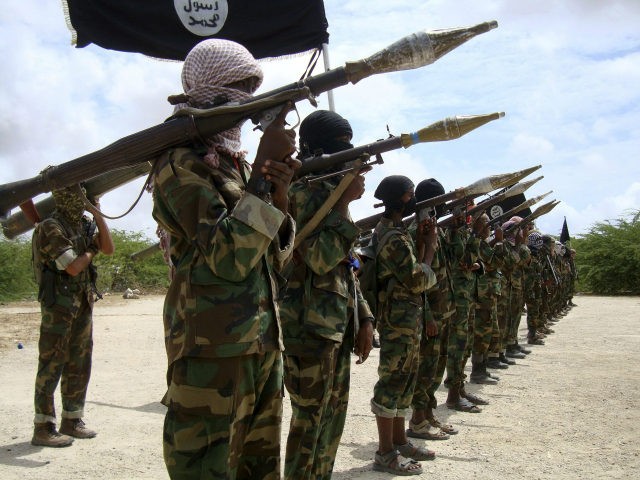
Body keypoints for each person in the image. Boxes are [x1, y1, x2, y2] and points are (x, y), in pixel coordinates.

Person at [151, 39, 298, 479]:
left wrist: (279, 190)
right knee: (208, 468)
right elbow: (229, 258)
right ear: (208, 95)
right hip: (212, 352)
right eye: (237, 91)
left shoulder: (228, 163)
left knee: (259, 468)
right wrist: (260, 174)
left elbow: (274, 256)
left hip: (260, 344)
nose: (246, 104)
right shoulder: (180, 165)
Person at [279, 110, 374, 480]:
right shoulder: (299, 194)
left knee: (332, 421)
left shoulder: (328, 193)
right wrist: (343, 204)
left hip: (334, 326)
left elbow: (346, 268)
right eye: (340, 148)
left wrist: (363, 317)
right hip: (307, 329)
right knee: (309, 423)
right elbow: (317, 258)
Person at [31, 185, 114, 447]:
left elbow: (108, 248)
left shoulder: (85, 224)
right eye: (82, 199)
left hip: (82, 303)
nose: (84, 204)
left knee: (79, 361)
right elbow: (74, 267)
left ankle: (72, 419)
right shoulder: (51, 226)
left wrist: (99, 216)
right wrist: (91, 251)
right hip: (59, 306)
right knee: (52, 362)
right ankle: (43, 427)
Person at [370, 175, 437, 476]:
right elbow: (414, 278)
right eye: (411, 194)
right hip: (398, 322)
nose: (414, 199)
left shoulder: (398, 231)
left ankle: (399, 441)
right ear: (403, 199)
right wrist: (431, 250)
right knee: (391, 383)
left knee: (405, 381)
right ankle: (385, 453)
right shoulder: (392, 236)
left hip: (407, 320)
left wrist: (421, 241)